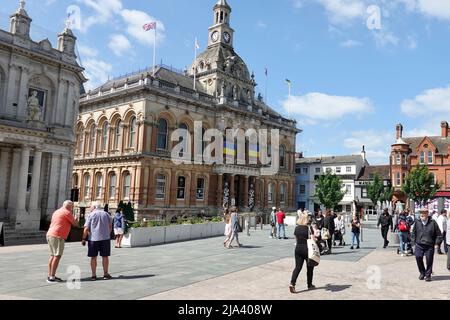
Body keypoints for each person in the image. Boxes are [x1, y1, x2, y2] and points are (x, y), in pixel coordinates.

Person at [46, 200, 78, 283]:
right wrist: (76, 219)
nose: (72, 208)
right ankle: (52, 277)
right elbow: (75, 224)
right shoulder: (66, 212)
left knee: (53, 255)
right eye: (72, 206)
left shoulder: (57, 211)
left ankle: (50, 275)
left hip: (50, 234)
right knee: (57, 256)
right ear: (69, 206)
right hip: (58, 235)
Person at [82, 202, 113, 281]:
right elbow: (110, 226)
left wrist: (83, 238)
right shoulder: (107, 214)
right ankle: (105, 274)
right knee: (105, 256)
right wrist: (107, 234)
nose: (90, 208)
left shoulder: (91, 215)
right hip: (105, 239)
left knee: (93, 257)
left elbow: (86, 228)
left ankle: (93, 275)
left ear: (95, 207)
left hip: (93, 239)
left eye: (91, 206)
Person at [411, 209, 442, 282]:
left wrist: (437, 243)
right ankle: (422, 272)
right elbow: (413, 233)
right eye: (421, 213)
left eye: (424, 213)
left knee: (429, 260)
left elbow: (439, 235)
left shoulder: (433, 223)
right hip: (419, 244)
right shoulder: (417, 222)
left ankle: (428, 275)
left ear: (427, 214)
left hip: (429, 245)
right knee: (418, 257)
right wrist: (413, 242)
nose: (422, 215)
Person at [289, 213, 317, 293]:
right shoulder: (308, 228)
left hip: (298, 249)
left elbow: (296, 240)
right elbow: (313, 239)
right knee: (310, 267)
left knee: (297, 267)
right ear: (306, 219)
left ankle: (292, 284)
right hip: (307, 249)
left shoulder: (296, 228)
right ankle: (309, 284)